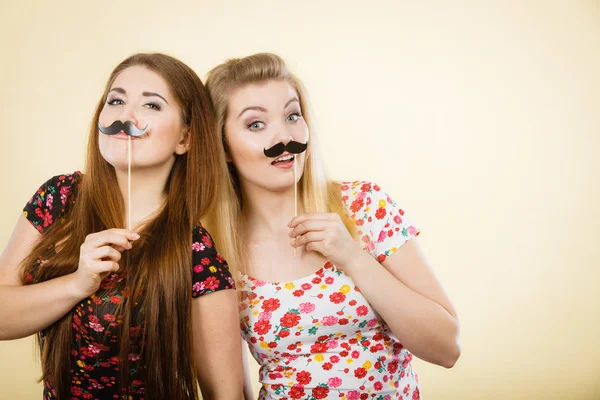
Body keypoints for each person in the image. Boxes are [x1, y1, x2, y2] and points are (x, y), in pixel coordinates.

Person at [204, 53, 461, 399]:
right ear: (223, 148)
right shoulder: (216, 249)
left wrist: (353, 258)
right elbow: (230, 391)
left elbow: (446, 348)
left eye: (293, 115)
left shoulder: (364, 206)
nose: (284, 136)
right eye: (256, 124)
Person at [0, 53, 243, 400]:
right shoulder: (60, 197)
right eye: (116, 100)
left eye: (151, 106)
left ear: (185, 139)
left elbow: (226, 394)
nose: (125, 117)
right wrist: (78, 283)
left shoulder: (196, 254)